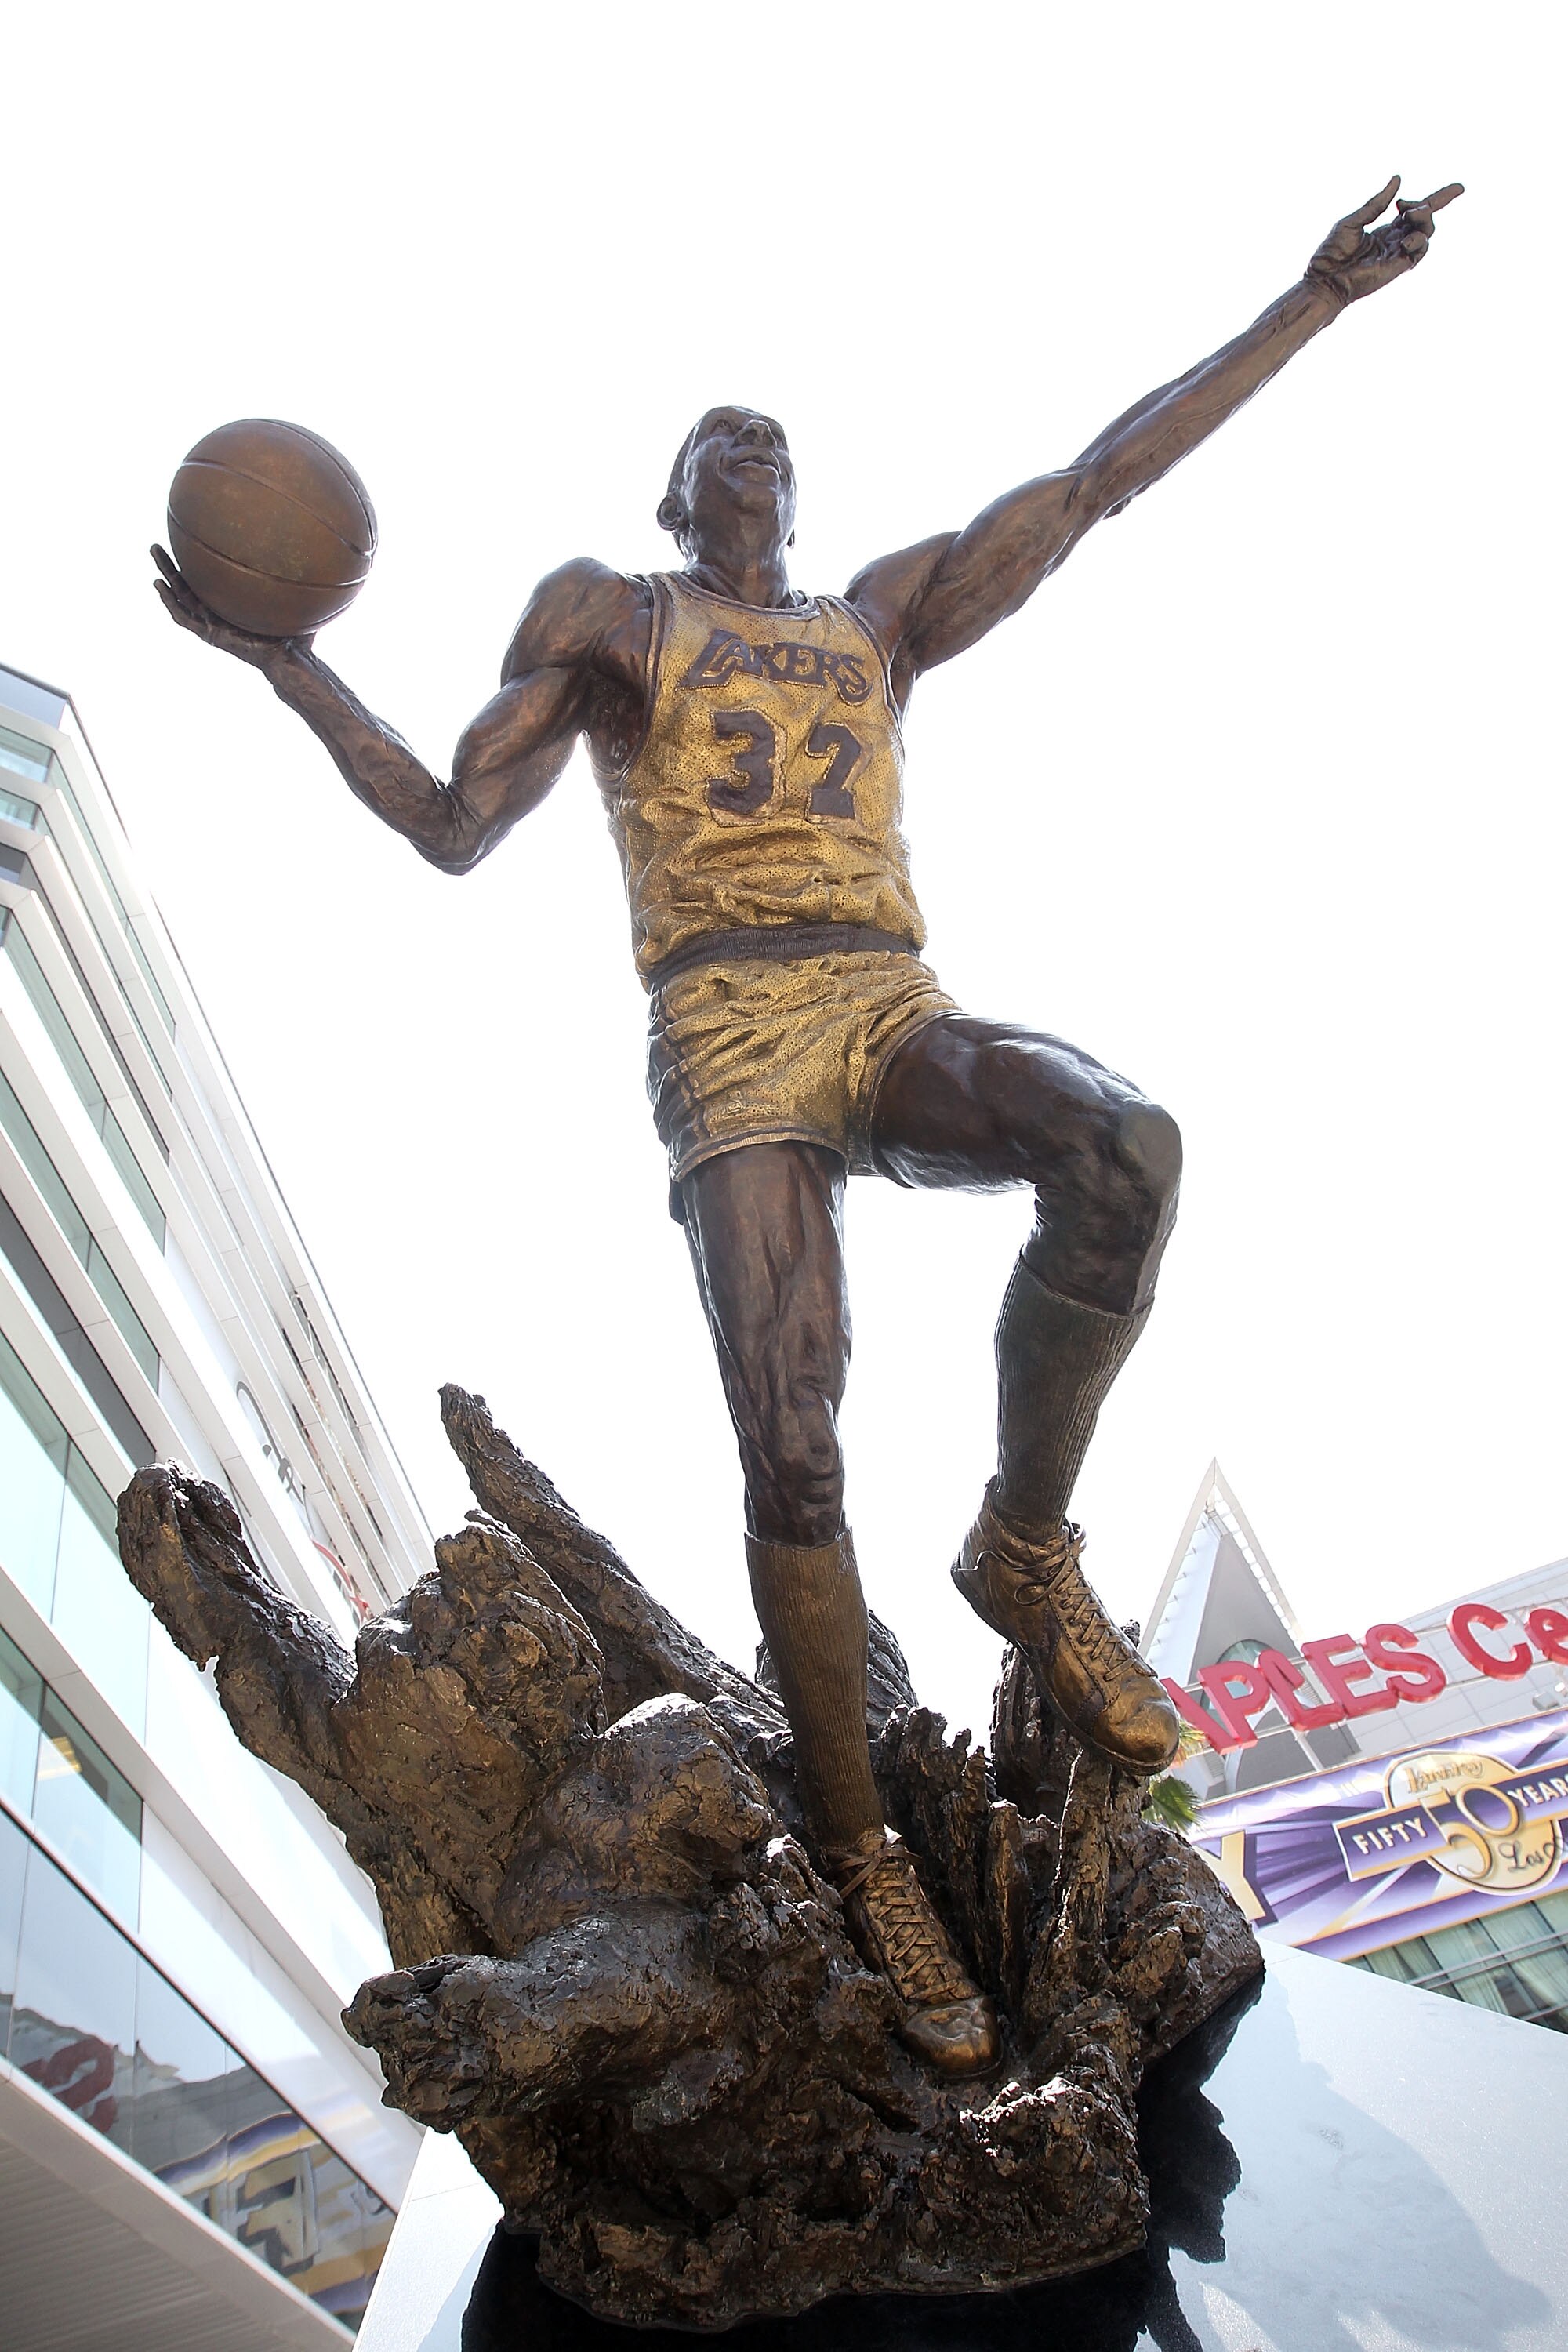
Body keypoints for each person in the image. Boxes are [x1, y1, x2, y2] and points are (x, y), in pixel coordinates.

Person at [154, 176, 1461, 2078]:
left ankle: (1024, 1546)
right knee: (794, 1451)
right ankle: (863, 1864)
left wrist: (1310, 299)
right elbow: (450, 820)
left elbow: (1100, 482)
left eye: (775, 434)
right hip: (728, 1020)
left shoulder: (882, 619)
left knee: (1125, 1148)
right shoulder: (614, 617)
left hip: (883, 993)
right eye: (715, 437)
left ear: (802, 496)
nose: (750, 443)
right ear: (677, 499)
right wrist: (289, 664)